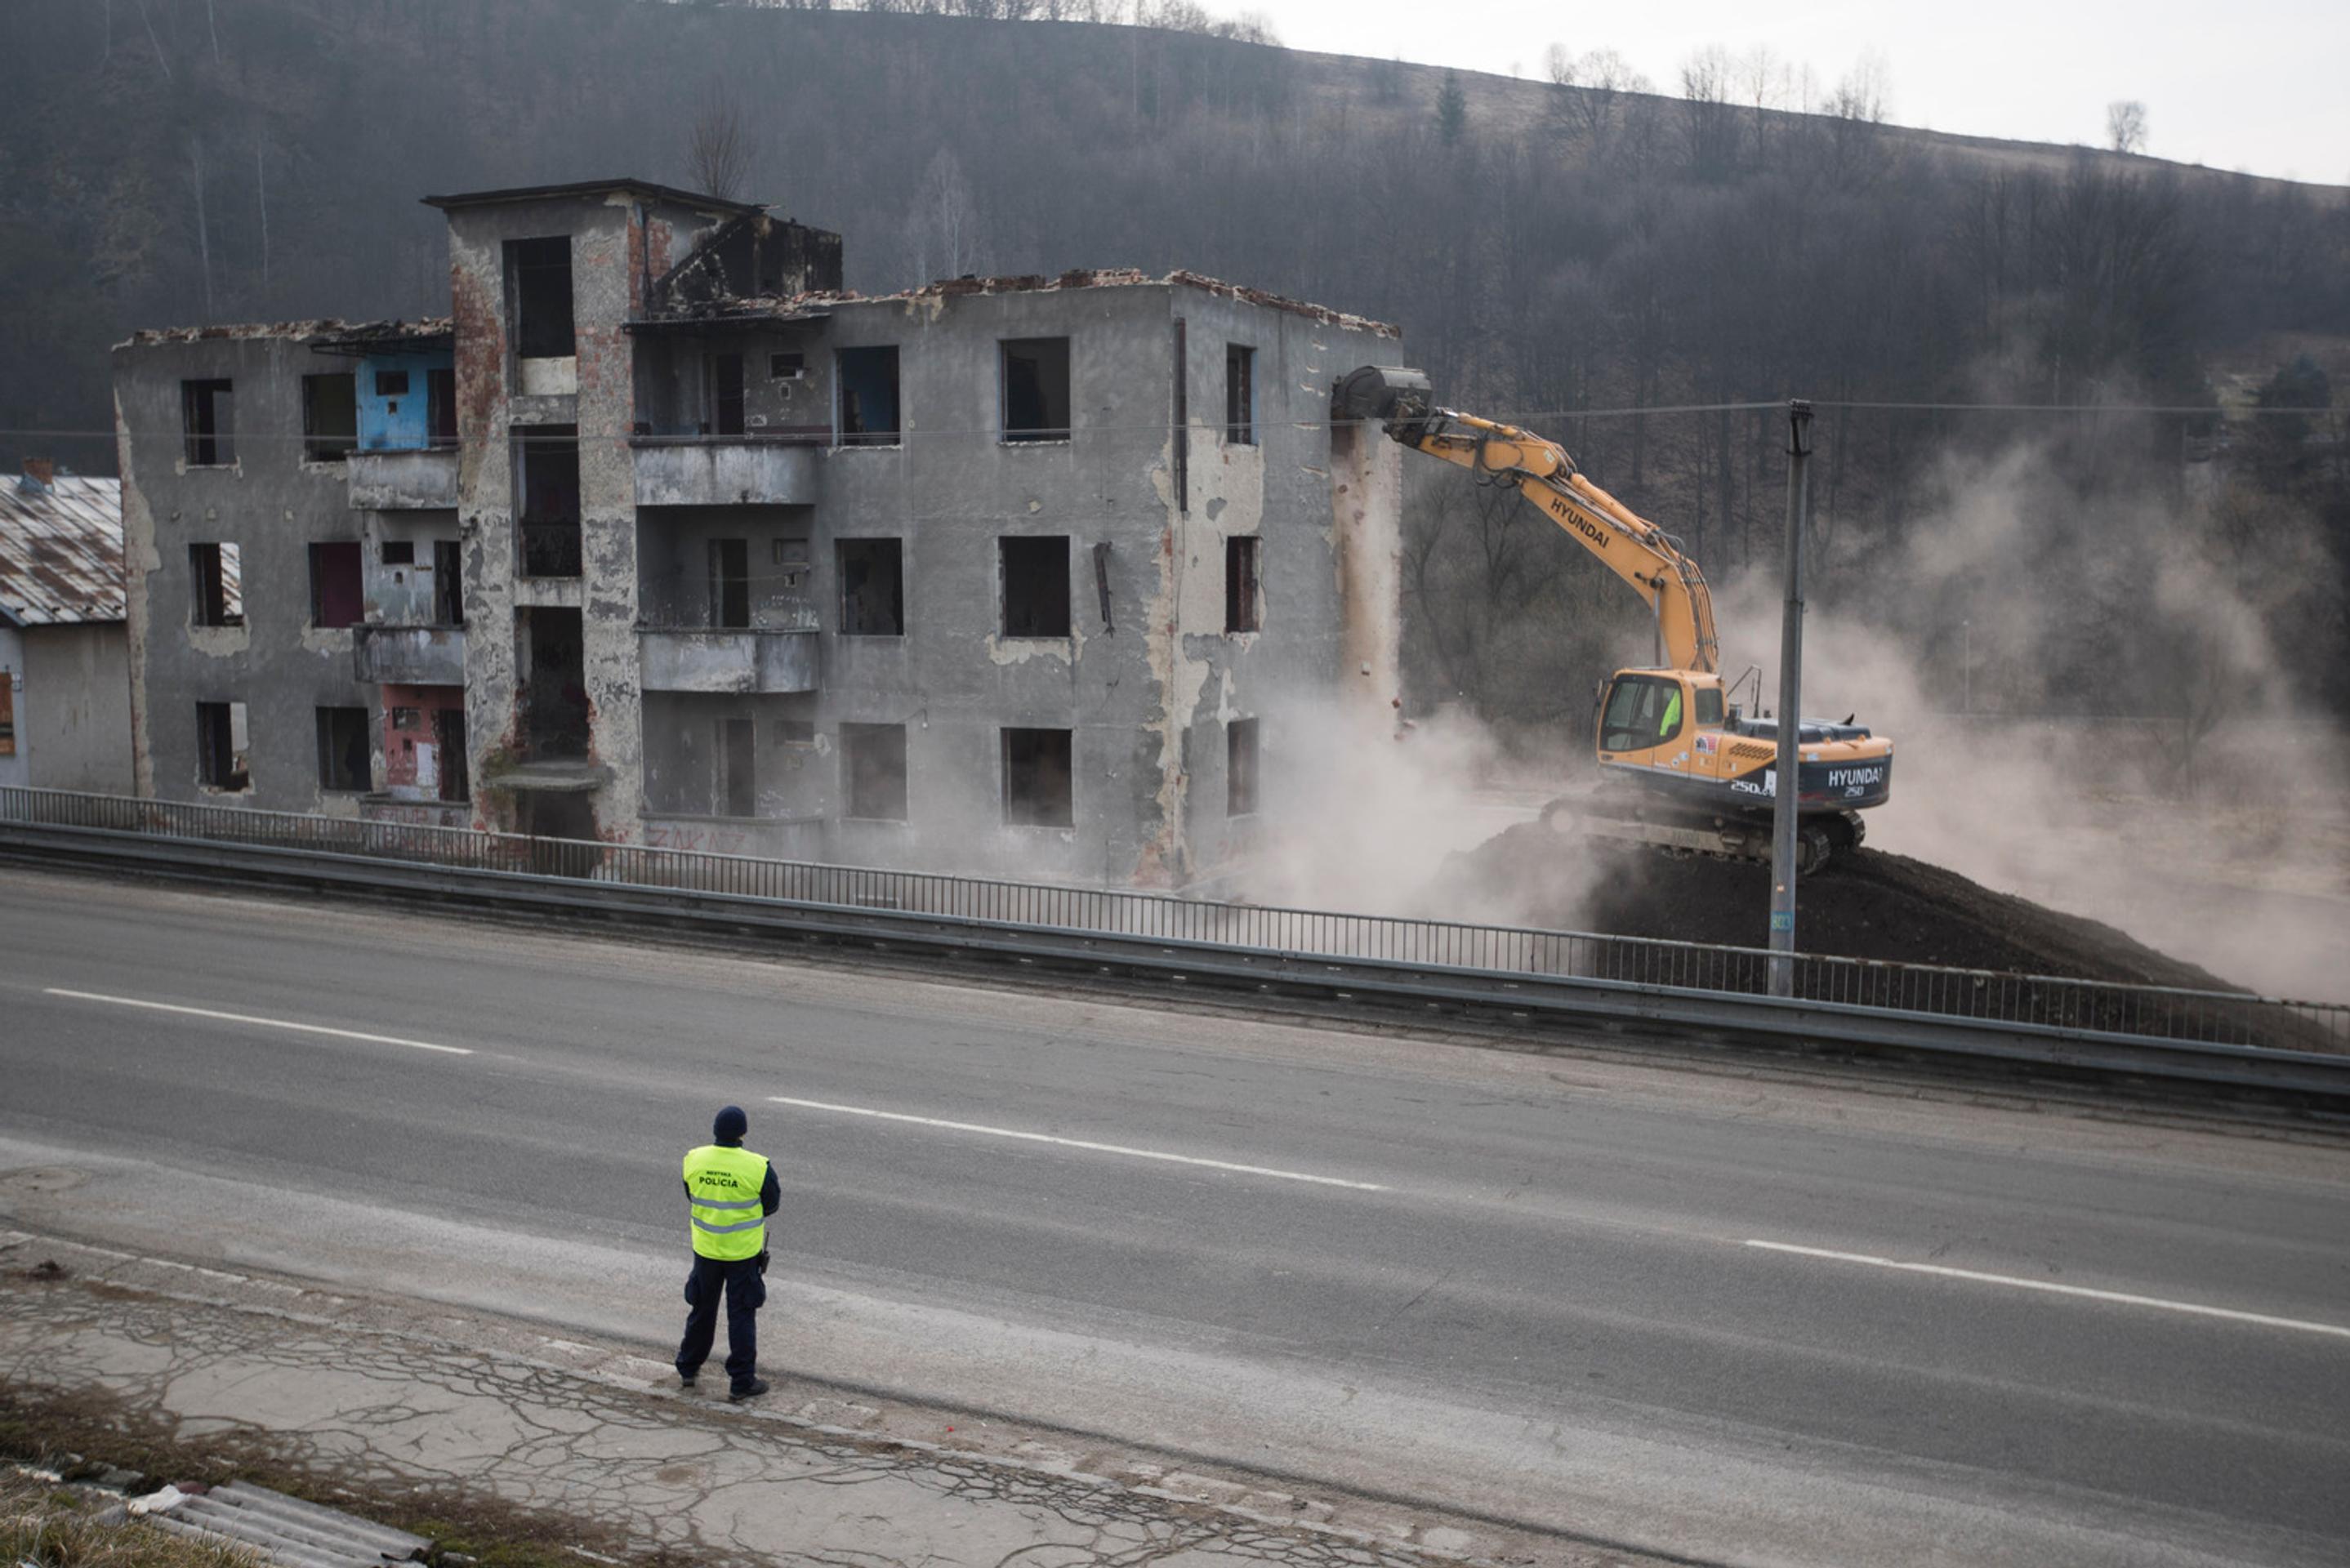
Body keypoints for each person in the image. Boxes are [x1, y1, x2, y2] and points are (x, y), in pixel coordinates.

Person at [676, 1104, 781, 1401]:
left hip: (706, 1249)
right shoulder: (757, 1166)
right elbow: (772, 1205)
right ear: (743, 1133)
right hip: (742, 1254)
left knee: (702, 1310)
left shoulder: (694, 1159)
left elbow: (690, 1194)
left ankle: (688, 1367)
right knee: (742, 1315)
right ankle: (742, 1381)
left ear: (715, 1131)